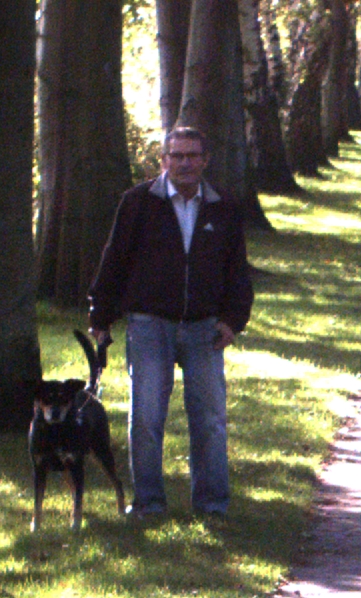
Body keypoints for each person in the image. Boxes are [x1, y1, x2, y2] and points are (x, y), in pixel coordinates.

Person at [88, 127, 253, 519]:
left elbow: (237, 270)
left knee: (210, 421)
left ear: (205, 160)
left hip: (204, 329)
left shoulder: (224, 206)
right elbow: (115, 259)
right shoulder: (137, 202)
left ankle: (212, 506)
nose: (184, 163)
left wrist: (232, 321)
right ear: (163, 160)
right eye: (177, 155)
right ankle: (148, 504)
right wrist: (101, 315)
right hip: (149, 325)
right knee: (146, 418)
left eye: (192, 155)